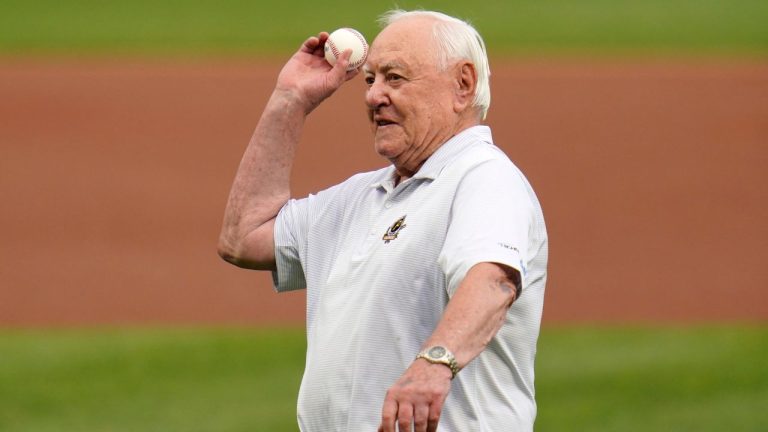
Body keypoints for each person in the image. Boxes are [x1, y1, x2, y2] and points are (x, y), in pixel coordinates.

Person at [218, 9, 548, 432]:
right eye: (371, 79)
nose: (373, 96)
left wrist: (436, 363)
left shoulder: (484, 177)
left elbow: (493, 281)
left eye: (395, 77)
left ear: (462, 85)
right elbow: (243, 238)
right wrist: (290, 100)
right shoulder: (360, 197)